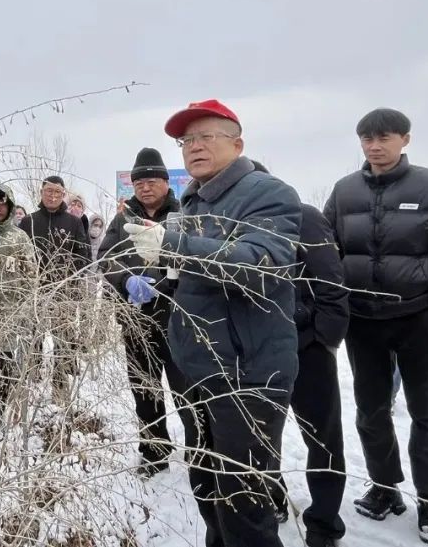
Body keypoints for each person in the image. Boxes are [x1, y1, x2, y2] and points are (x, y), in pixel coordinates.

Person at [123, 100, 301, 547]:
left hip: (246, 372)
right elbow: (195, 274)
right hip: (199, 369)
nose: (194, 147)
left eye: (206, 136)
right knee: (207, 486)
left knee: (244, 504)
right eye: (186, 140)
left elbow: (263, 265)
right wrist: (159, 279)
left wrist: (172, 245)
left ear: (237, 144)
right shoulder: (194, 199)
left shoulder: (267, 193)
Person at [323, 108, 428, 544]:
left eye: (384, 137)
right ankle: (384, 487)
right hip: (364, 320)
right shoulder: (345, 190)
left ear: (405, 139)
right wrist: (333, 298)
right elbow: (327, 246)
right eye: (367, 138)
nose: (375, 146)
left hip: (419, 317)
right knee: (370, 411)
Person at [252, 162, 350, 547]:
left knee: (322, 439)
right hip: (256, 352)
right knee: (259, 437)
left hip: (305, 347)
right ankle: (271, 497)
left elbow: (330, 281)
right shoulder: (229, 223)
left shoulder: (302, 217)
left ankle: (324, 523)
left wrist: (323, 339)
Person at [99, 147, 194, 479]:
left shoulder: (183, 215)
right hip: (136, 319)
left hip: (178, 320)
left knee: (187, 389)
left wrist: (168, 285)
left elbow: (194, 260)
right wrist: (126, 279)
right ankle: (154, 452)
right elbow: (106, 257)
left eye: (152, 181)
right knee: (144, 389)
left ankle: (199, 449)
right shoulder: (123, 219)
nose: (145, 187)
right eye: (139, 183)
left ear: (166, 183)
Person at [19, 175, 92, 398]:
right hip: (34, 291)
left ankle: (60, 389)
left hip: (64, 291)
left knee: (63, 341)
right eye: (48, 191)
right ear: (41, 193)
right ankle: (30, 386)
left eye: (57, 192)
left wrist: (67, 277)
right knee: (32, 338)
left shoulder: (74, 222)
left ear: (63, 195)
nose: (52, 196)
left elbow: (84, 256)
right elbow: (20, 254)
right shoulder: (29, 221)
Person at [0, 185, 37, 427]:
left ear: (10, 207)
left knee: (3, 367)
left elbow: (31, 274)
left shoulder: (19, 237)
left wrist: (25, 308)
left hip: (6, 314)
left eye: (2, 204)